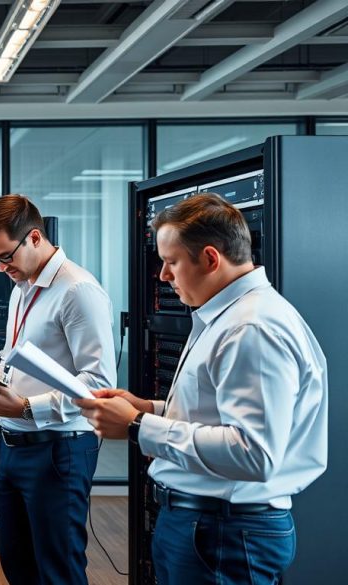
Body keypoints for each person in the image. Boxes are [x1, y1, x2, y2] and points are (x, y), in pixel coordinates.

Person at [76, 193, 327, 585]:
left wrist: (138, 427)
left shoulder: (252, 329)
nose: (162, 275)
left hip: (223, 531)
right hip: (207, 525)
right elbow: (215, 413)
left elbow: (255, 453)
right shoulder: (228, 317)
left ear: (211, 258)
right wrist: (149, 408)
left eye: (171, 262)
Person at [0, 194, 117, 585]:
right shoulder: (22, 287)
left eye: (6, 255)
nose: (0, 267)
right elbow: (13, 359)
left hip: (59, 450)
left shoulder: (78, 291)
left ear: (34, 238)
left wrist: (26, 407)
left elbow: (99, 386)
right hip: (14, 447)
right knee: (18, 564)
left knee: (57, 570)